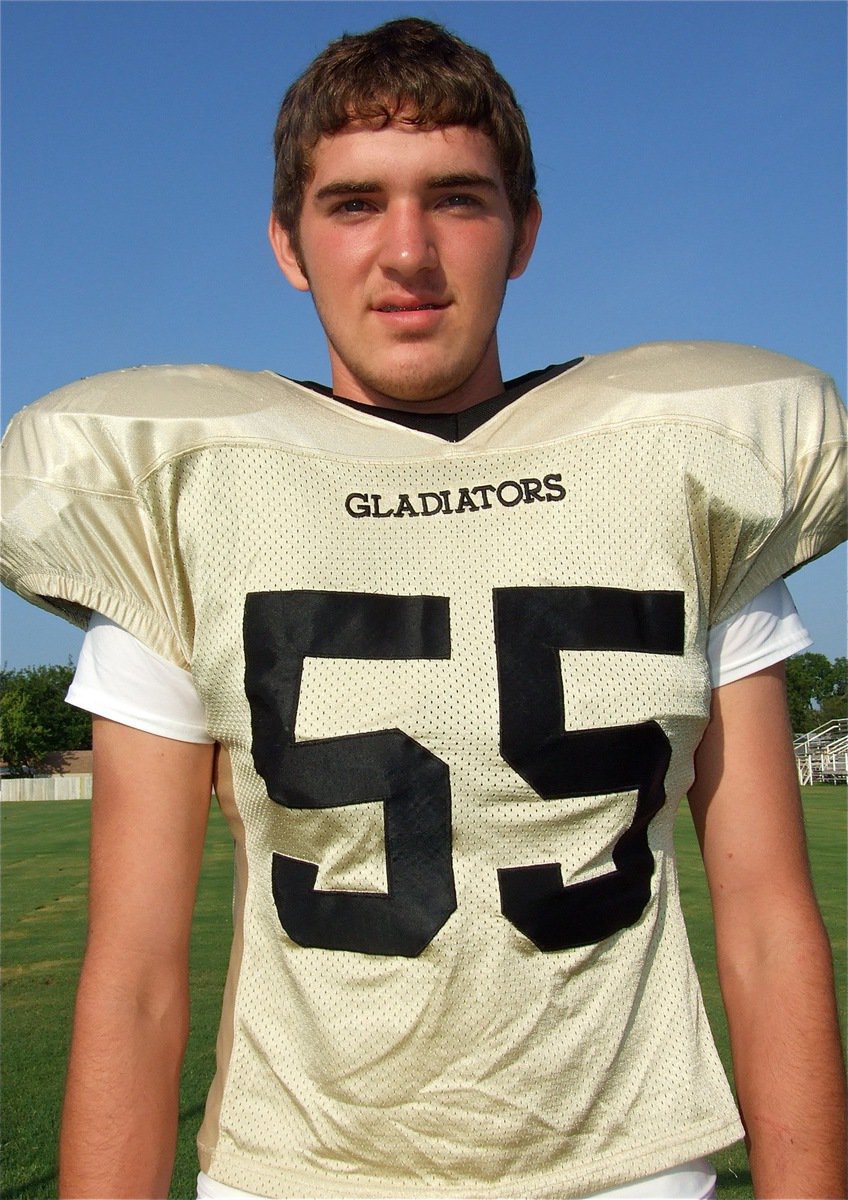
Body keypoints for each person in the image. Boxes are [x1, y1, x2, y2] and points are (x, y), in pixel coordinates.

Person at [1, 16, 845, 1200]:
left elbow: (763, 922)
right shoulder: (183, 500)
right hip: (299, 1172)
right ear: (287, 244)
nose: (406, 251)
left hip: (626, 1169)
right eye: (353, 204)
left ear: (523, 232)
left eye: (455, 198)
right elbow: (136, 973)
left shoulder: (677, 477)